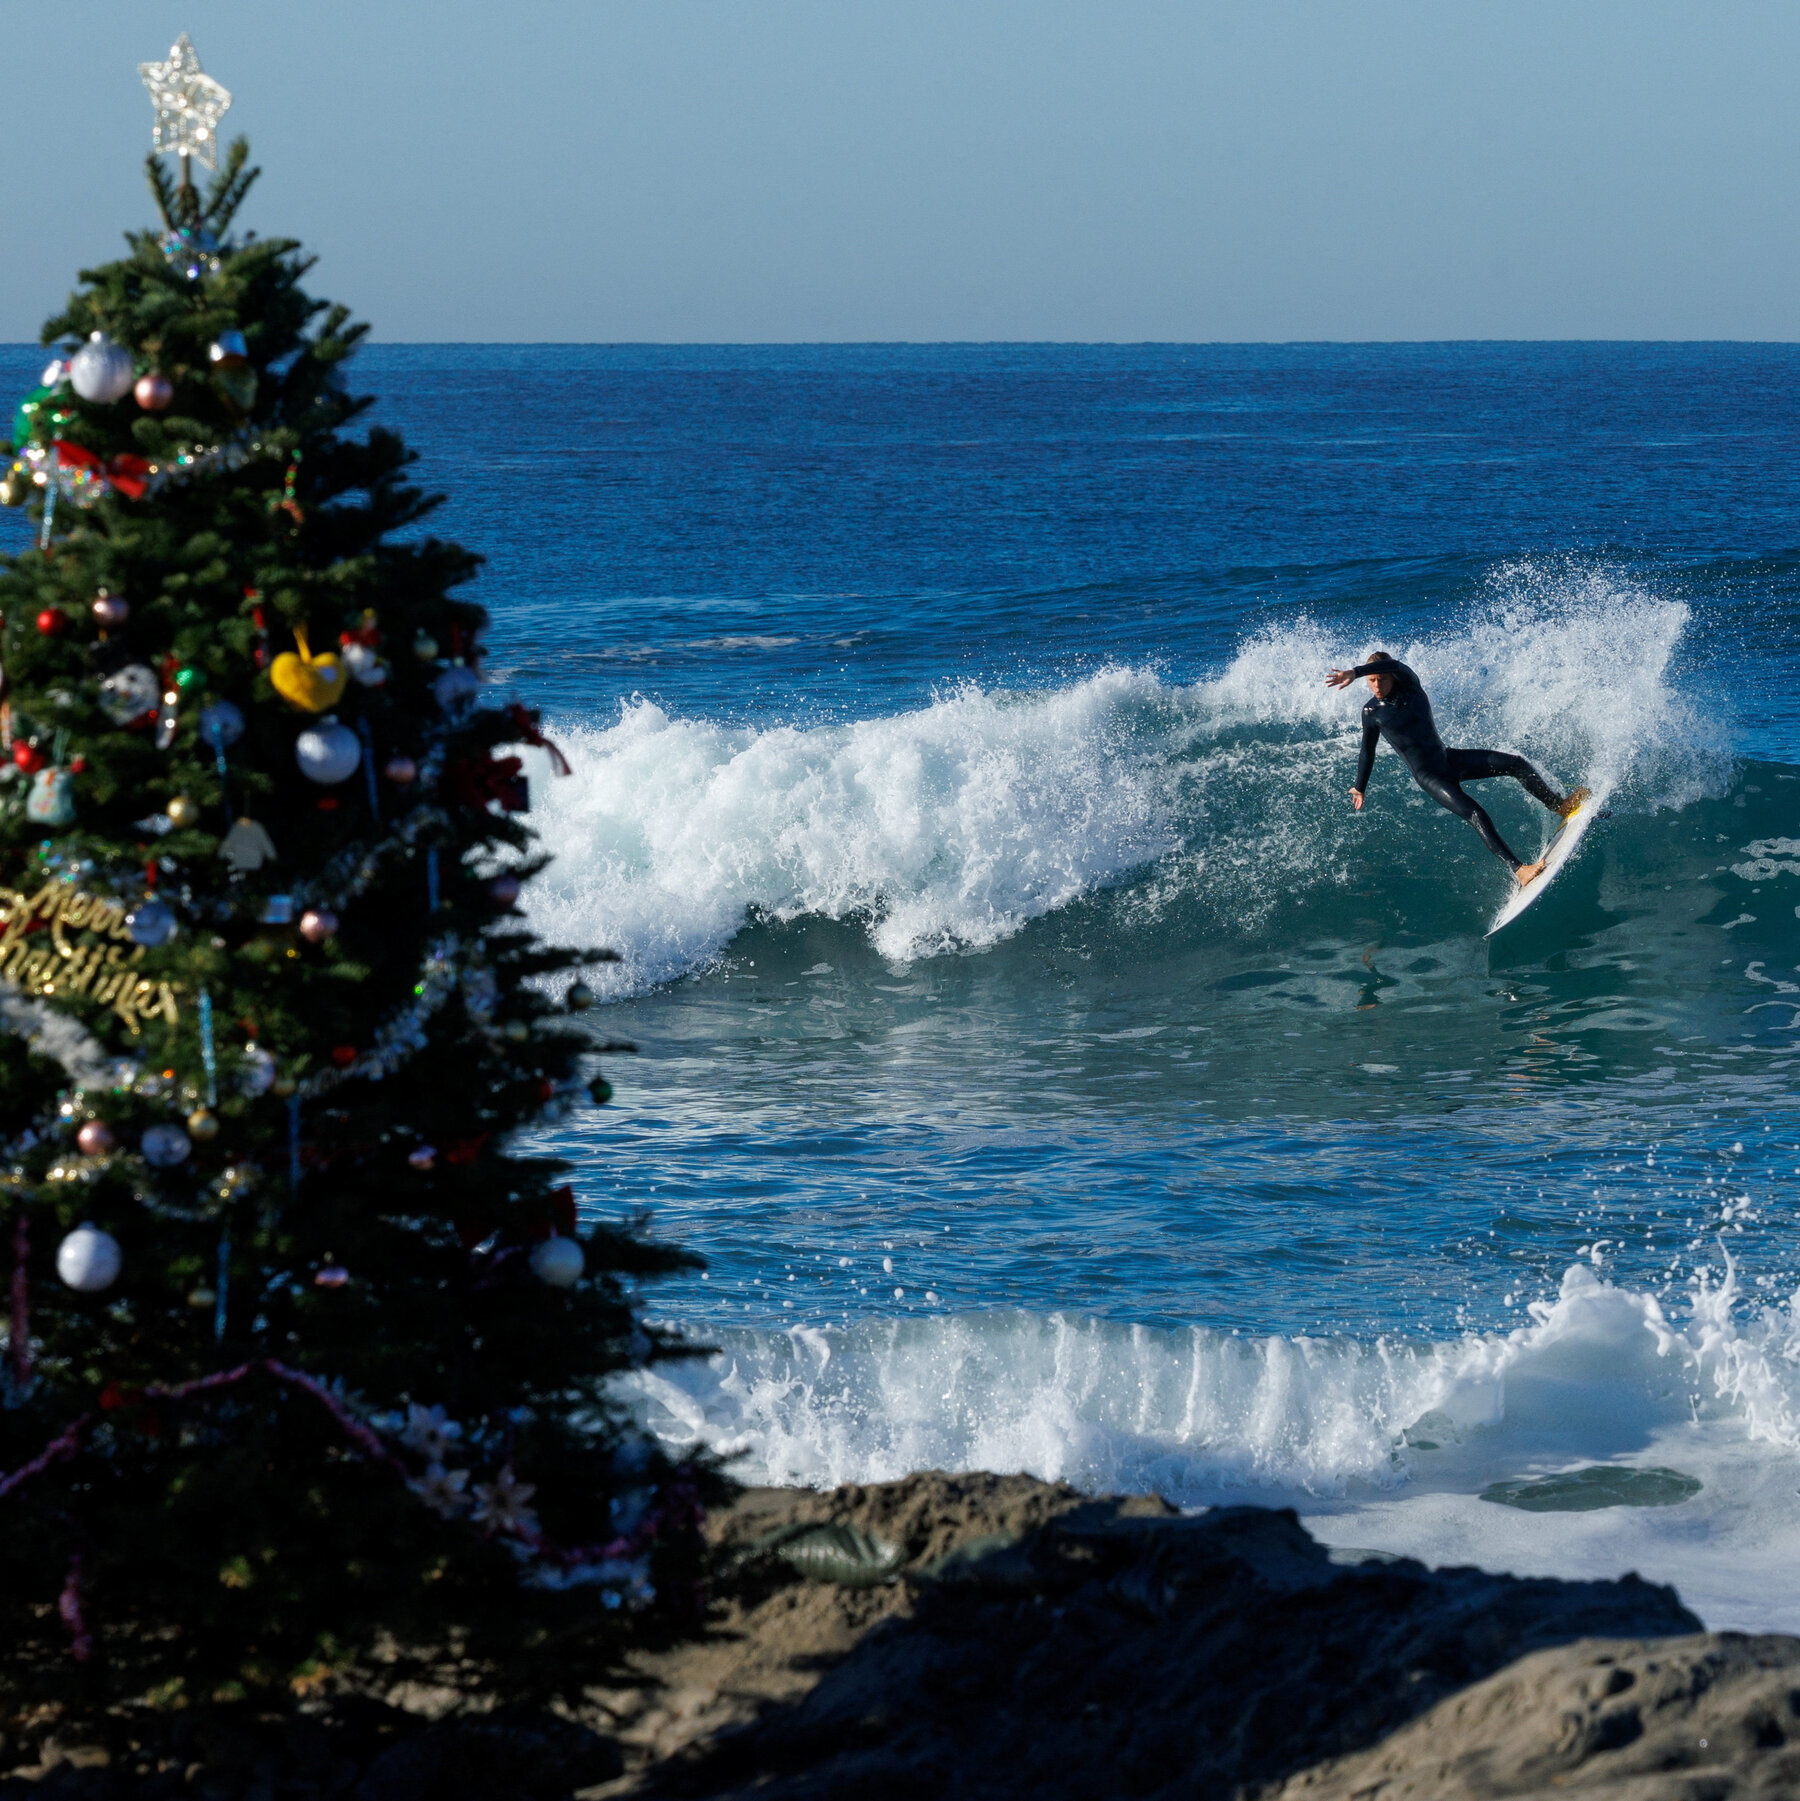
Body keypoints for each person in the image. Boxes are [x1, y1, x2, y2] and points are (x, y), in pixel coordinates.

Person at [1324, 653, 1586, 888]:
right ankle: (1519, 870)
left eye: (1381, 679)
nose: (1376, 686)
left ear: (1392, 676)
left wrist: (1355, 672)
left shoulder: (1412, 687)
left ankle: (1559, 805)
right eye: (1371, 681)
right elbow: (1367, 751)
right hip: (1430, 777)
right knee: (1475, 813)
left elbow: (1396, 665)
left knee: (1516, 763)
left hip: (1448, 759)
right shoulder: (1371, 712)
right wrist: (1360, 786)